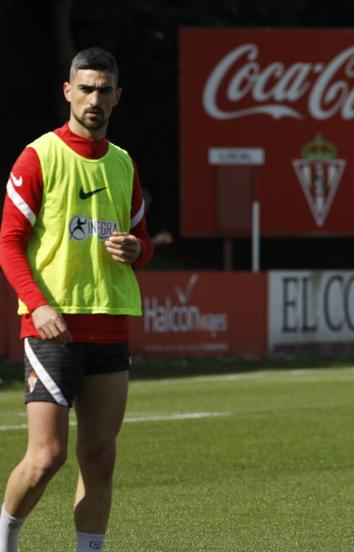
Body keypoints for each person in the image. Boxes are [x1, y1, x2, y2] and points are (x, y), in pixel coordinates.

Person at [0, 47, 152, 552]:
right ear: (68, 91)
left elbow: (141, 240)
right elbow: (8, 242)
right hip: (53, 328)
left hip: (111, 325)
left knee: (101, 456)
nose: (94, 98)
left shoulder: (124, 164)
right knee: (46, 458)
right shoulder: (38, 156)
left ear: (117, 97)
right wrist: (37, 305)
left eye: (104, 90)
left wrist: (137, 249)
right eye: (85, 88)